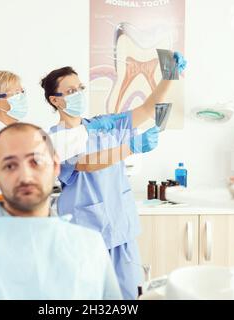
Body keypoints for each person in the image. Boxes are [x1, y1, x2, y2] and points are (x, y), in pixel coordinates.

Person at [41, 53, 187, 299]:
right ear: (56, 100)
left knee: (129, 296)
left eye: (81, 88)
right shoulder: (56, 138)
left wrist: (169, 76)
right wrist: (131, 147)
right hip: (86, 234)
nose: (79, 93)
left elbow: (146, 108)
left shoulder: (103, 124)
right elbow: (86, 163)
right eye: (71, 90)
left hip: (120, 229)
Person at [0, 123, 122, 299]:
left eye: (35, 161)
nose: (25, 176)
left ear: (55, 166)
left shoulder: (88, 247)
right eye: (10, 165)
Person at [0, 70, 122, 193]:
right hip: (2, 204)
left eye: (22, 92)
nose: (22, 97)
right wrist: (86, 129)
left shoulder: (16, 130)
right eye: (15, 94)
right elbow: (40, 156)